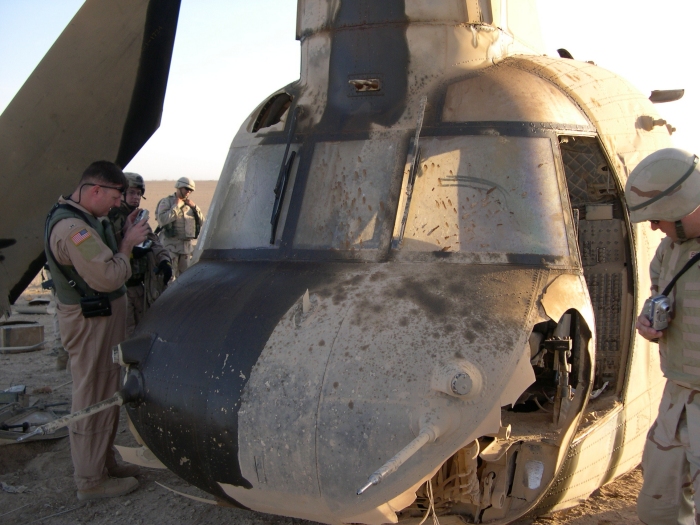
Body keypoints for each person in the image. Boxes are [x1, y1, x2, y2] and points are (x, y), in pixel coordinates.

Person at [44, 160, 149, 501]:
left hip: (99, 321)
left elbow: (99, 256)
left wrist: (121, 233)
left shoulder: (86, 221)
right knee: (92, 396)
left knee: (105, 390)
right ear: (95, 190)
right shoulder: (74, 229)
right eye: (116, 197)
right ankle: (91, 481)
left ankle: (103, 462)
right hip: (91, 324)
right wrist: (128, 244)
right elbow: (107, 275)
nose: (119, 204)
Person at [626, 148, 700, 524]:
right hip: (679, 400)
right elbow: (659, 300)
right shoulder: (670, 251)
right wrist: (649, 325)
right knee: (659, 510)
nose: (653, 226)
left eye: (657, 216)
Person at [108, 173, 172, 335]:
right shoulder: (110, 219)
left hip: (139, 287)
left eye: (138, 193)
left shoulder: (139, 218)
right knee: (126, 335)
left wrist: (164, 261)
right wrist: (129, 250)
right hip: (120, 289)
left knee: (142, 331)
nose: (136, 197)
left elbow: (154, 242)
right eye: (131, 192)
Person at [155, 177, 203, 278]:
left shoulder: (190, 205)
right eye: (186, 189)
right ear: (179, 187)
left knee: (185, 278)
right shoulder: (166, 202)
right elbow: (162, 220)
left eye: (190, 190)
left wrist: (195, 208)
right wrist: (176, 207)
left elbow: (203, 222)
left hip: (185, 249)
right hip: (170, 247)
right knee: (169, 278)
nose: (188, 192)